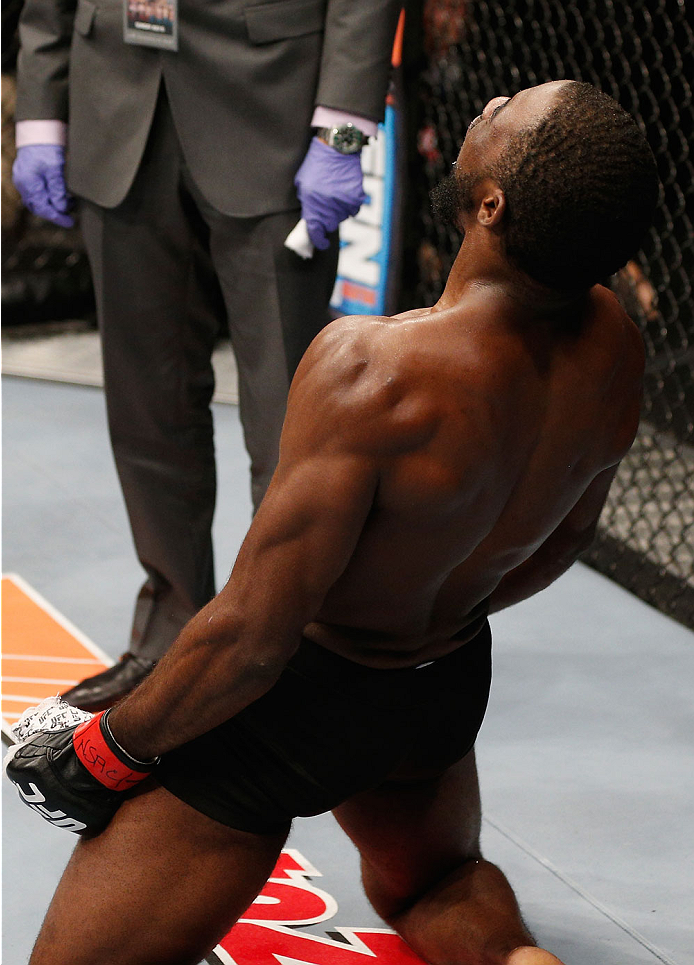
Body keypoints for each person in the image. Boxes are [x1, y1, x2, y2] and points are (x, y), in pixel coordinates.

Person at [5, 80, 659, 965]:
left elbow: (252, 635)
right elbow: (564, 542)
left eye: (505, 114)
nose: (489, 100)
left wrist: (106, 750)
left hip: (299, 696)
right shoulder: (617, 345)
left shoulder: (375, 371)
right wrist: (430, 625)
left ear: (491, 204)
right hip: (443, 683)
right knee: (432, 882)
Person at [11, 0, 402, 710]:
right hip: (116, 99)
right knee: (145, 405)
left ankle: (295, 649)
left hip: (272, 110)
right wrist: (41, 108)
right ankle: (169, 639)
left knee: (290, 419)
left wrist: (342, 124)